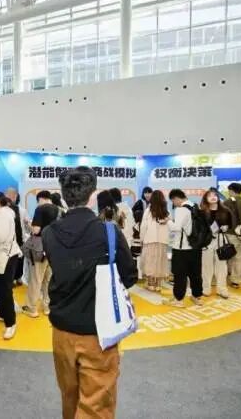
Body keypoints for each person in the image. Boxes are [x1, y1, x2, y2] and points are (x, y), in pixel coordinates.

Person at [42, 166, 137, 419]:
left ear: (64, 196)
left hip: (61, 331)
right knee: (96, 404)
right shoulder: (109, 232)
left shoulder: (49, 233)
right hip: (99, 332)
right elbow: (129, 277)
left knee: (69, 395)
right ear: (93, 196)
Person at [0, 192, 22, 340]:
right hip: (7, 254)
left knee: (4, 289)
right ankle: (2, 313)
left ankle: (10, 323)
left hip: (5, 255)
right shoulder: (7, 212)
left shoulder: (2, 214)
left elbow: (0, 236)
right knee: (1, 286)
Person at [21, 190, 59, 318]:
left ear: (40, 199)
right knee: (48, 279)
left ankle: (32, 308)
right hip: (54, 248)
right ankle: (47, 306)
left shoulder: (40, 209)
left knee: (36, 278)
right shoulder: (58, 209)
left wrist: (29, 224)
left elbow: (36, 230)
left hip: (40, 248)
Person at [164, 189, 204, 308]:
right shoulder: (195, 206)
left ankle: (178, 299)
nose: (174, 204)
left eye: (173, 201)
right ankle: (197, 296)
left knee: (180, 274)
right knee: (195, 273)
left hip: (182, 248)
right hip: (195, 247)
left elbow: (176, 228)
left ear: (176, 198)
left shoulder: (181, 209)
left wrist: (168, 221)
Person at [200, 188, 233, 299]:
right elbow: (198, 227)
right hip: (206, 241)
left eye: (215, 195)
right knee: (206, 266)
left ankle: (222, 289)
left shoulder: (225, 210)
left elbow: (231, 224)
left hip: (220, 240)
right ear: (206, 199)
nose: (213, 197)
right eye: (210, 195)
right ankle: (206, 288)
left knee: (222, 266)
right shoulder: (202, 212)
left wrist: (226, 227)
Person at [139, 190, 170, 292]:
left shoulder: (148, 211)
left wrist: (141, 239)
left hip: (150, 239)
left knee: (150, 262)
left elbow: (143, 226)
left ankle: (151, 284)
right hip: (162, 241)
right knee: (160, 262)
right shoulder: (166, 212)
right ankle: (158, 285)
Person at [224, 182, 241, 289]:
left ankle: (223, 278)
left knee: (225, 257)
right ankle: (236, 281)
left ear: (231, 190)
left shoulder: (227, 202)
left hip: (230, 233)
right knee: (239, 258)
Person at [6, 188, 28, 286]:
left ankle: (18, 277)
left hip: (19, 239)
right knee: (11, 261)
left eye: (12, 196)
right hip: (9, 240)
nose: (10, 198)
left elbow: (26, 224)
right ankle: (12, 279)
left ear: (16, 197)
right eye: (8, 196)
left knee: (19, 260)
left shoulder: (22, 210)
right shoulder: (4, 210)